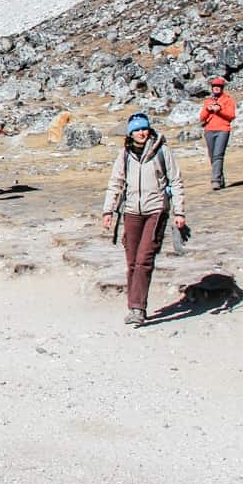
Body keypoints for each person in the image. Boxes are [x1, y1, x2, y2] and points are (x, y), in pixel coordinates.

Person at [100, 113, 187, 327]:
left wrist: (179, 212)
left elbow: (176, 181)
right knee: (132, 262)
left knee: (144, 259)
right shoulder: (125, 155)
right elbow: (116, 183)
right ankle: (134, 306)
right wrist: (108, 211)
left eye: (144, 128)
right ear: (130, 133)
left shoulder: (162, 151)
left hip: (156, 210)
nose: (141, 132)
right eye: (137, 129)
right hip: (131, 211)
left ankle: (138, 308)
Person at [199, 76, 236, 190]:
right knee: (212, 156)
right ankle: (220, 180)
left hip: (223, 130)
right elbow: (202, 117)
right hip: (209, 130)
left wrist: (219, 110)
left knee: (218, 155)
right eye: (214, 87)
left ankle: (215, 181)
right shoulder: (208, 101)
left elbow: (231, 116)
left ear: (222, 88)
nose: (216, 88)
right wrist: (208, 110)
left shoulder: (228, 100)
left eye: (218, 87)